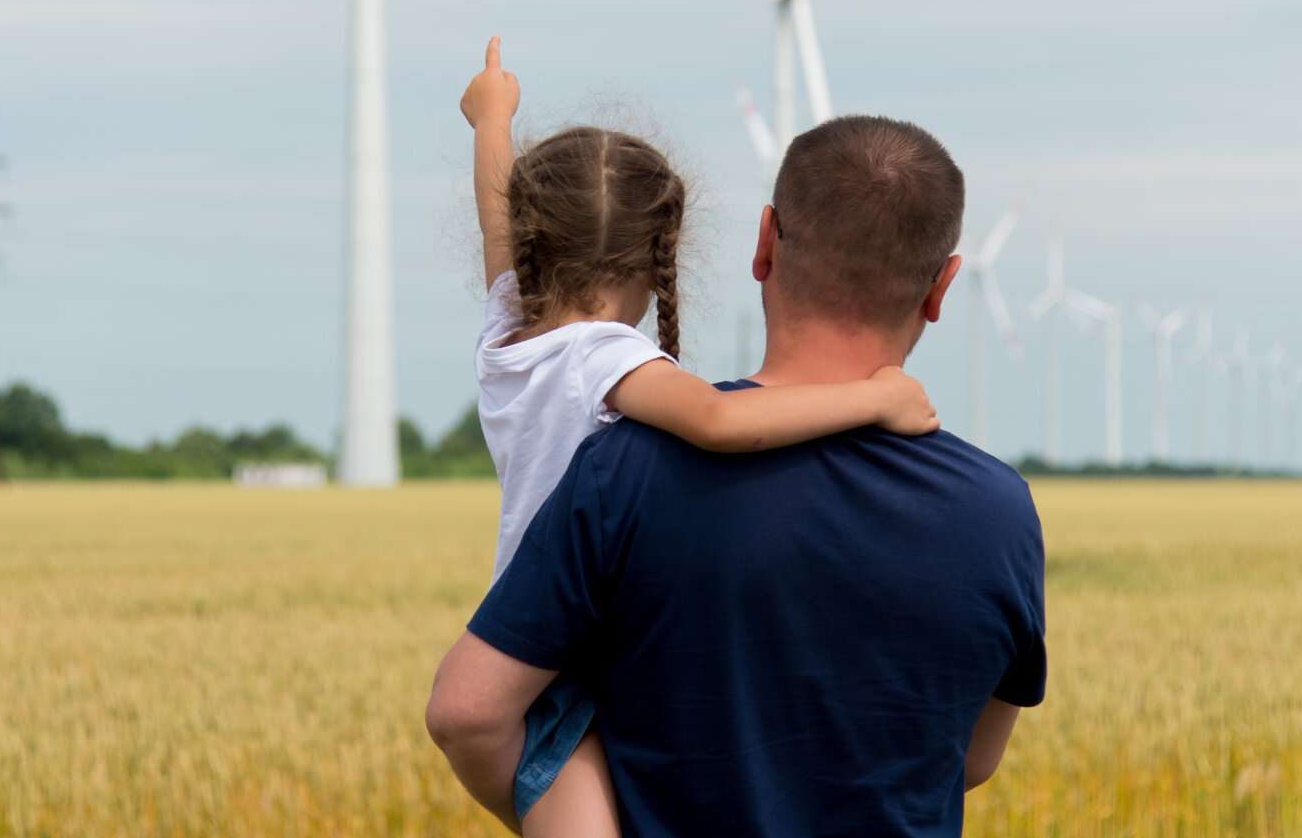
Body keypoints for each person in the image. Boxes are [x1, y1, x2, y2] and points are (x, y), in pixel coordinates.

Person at [427, 107, 1048, 837]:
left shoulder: (626, 460)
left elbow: (467, 712)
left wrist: (493, 119)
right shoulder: (1001, 512)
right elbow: (969, 759)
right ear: (941, 288)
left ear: (764, 246)